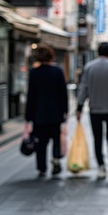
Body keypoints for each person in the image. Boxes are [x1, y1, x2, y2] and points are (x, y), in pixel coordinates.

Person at [76, 42, 108, 179]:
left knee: (97, 138)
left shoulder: (89, 67)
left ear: (98, 51)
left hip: (95, 109)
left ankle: (101, 167)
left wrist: (79, 107)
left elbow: (83, 88)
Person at [25, 43, 68, 177]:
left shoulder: (34, 73)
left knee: (41, 142)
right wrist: (65, 110)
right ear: (51, 56)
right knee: (55, 138)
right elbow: (63, 94)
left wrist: (28, 115)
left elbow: (31, 95)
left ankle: (42, 168)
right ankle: (55, 158)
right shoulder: (58, 71)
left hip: (39, 115)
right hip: (56, 113)